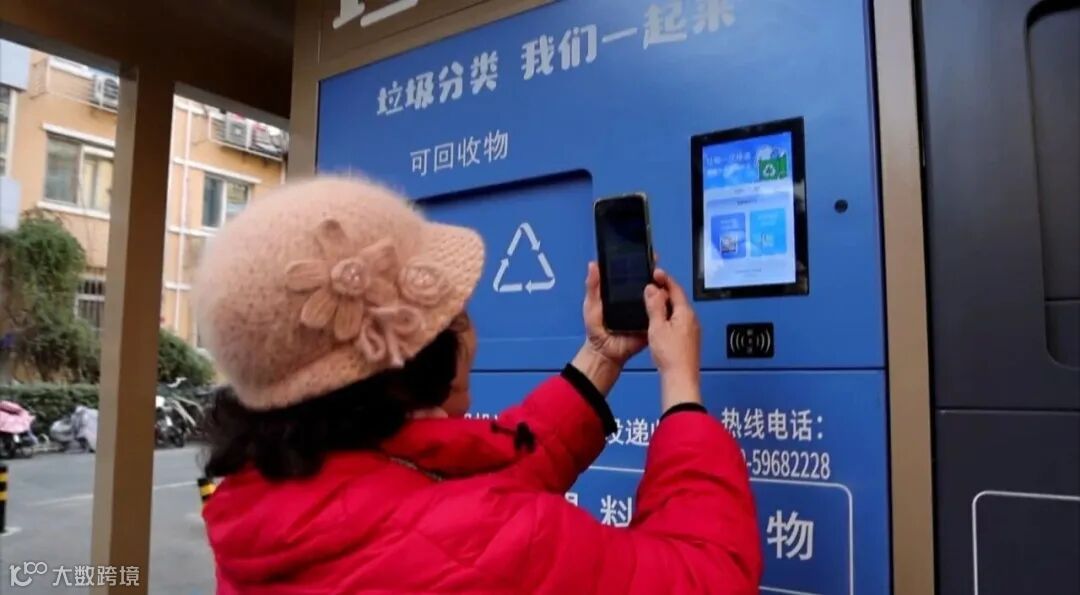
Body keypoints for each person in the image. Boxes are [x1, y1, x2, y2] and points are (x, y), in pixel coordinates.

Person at [195, 177, 762, 594]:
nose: (471, 333)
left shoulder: (263, 504)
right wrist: (681, 387)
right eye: (457, 316)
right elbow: (707, 575)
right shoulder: (482, 542)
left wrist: (600, 356)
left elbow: (476, 469)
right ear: (415, 363)